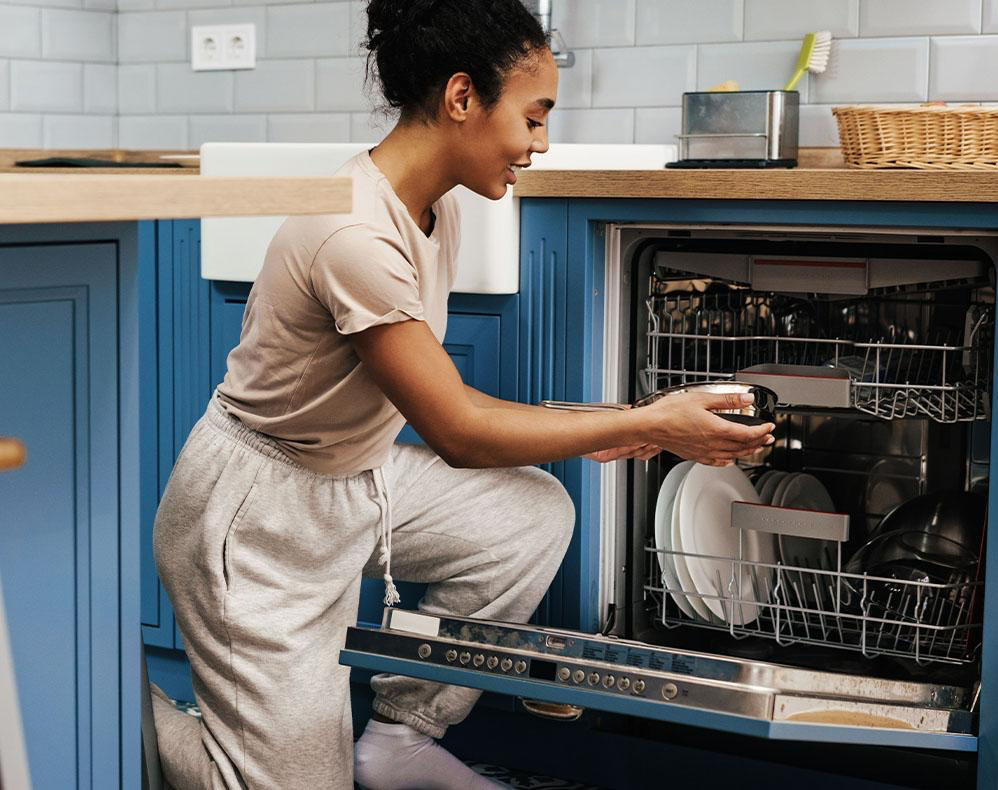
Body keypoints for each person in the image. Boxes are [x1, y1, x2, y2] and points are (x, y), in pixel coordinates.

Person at [149, 1, 776, 787]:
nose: (539, 145)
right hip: (257, 519)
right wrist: (653, 421)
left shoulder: (431, 206)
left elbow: (436, 392)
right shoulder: (353, 234)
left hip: (355, 480)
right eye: (533, 117)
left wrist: (620, 423)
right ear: (460, 98)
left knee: (530, 512)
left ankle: (400, 739)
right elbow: (459, 431)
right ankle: (110, 695)